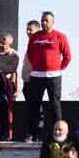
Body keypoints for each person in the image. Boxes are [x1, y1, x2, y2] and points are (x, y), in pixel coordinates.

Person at [24, 11, 71, 143]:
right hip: (36, 76)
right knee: (34, 106)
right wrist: (38, 67)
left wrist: (57, 68)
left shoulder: (60, 36)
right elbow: (30, 54)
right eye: (43, 20)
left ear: (52, 22)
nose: (44, 23)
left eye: (47, 21)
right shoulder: (34, 37)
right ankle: (32, 134)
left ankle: (59, 135)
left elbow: (67, 56)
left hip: (54, 76)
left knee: (55, 106)